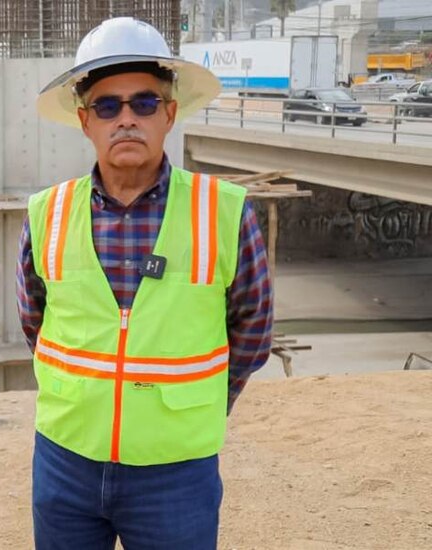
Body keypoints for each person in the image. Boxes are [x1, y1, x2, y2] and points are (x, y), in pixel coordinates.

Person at [17, 18, 273, 550]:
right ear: (86, 121)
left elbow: (252, 331)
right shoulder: (48, 212)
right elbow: (34, 319)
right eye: (108, 106)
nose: (126, 119)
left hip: (175, 472)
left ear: (170, 114)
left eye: (144, 103)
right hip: (66, 462)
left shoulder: (224, 211)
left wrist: (193, 404)